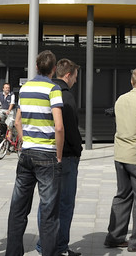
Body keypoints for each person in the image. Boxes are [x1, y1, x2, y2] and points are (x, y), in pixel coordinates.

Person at [5, 50, 64, 256]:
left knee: (18, 208)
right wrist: (58, 154)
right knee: (49, 211)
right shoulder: (53, 89)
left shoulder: (26, 87)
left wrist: (23, 140)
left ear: (37, 67)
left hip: (27, 152)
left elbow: (17, 121)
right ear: (54, 69)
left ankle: (12, 252)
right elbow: (58, 126)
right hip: (47, 153)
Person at [38, 58, 82, 256]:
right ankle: (60, 247)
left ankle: (43, 244)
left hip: (45, 152)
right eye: (75, 77)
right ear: (67, 75)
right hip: (65, 156)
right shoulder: (66, 96)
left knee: (46, 202)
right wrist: (77, 150)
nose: (75, 81)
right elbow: (69, 129)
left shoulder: (46, 91)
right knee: (64, 203)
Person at [105, 68, 136, 252]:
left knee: (122, 195)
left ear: (132, 82)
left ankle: (115, 236)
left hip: (120, 154)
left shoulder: (120, 100)